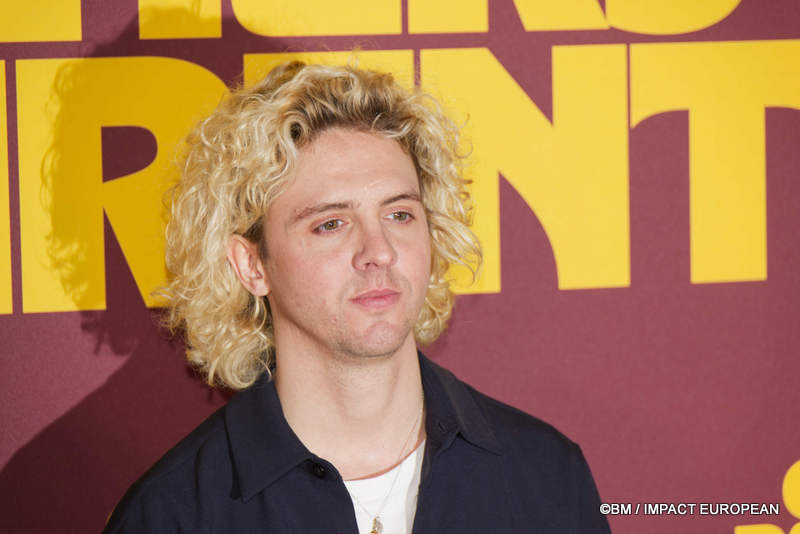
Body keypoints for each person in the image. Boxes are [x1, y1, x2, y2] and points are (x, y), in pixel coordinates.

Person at [103, 61, 612, 534]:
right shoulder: (173, 517)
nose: (379, 252)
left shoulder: (546, 478)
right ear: (251, 265)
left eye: (399, 215)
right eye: (331, 224)